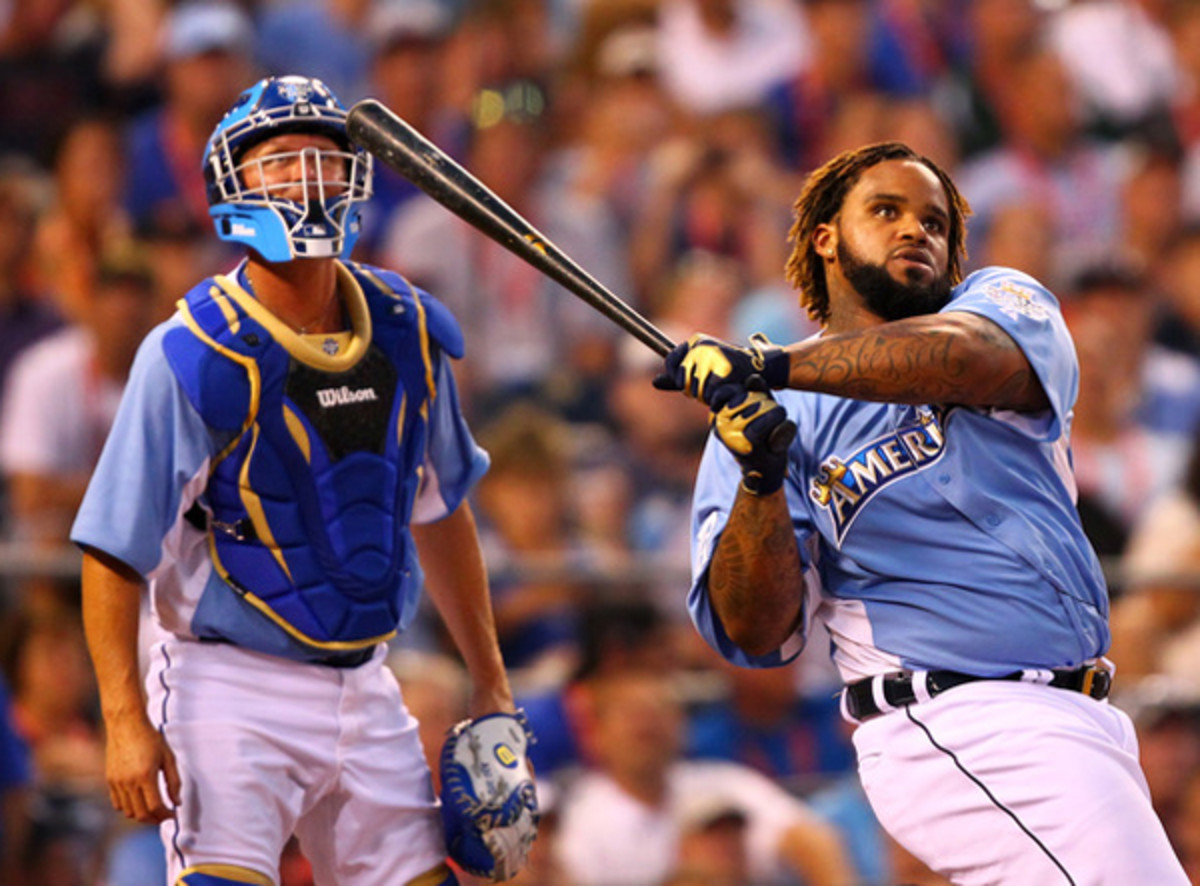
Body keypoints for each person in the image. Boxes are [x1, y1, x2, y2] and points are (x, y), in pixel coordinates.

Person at [654, 140, 1189, 884]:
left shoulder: (1000, 305)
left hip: (1084, 716)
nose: (916, 230)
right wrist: (759, 476)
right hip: (955, 716)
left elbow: (966, 360)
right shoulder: (766, 416)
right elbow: (757, 630)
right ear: (826, 240)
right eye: (886, 211)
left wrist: (771, 363)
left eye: (934, 221)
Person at [70, 75, 524, 886]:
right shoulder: (191, 350)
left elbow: (442, 509)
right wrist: (123, 719)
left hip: (368, 674)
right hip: (228, 683)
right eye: (281, 160)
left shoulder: (408, 328)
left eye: (325, 156)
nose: (307, 176)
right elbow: (112, 552)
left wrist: (491, 684)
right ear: (232, 186)